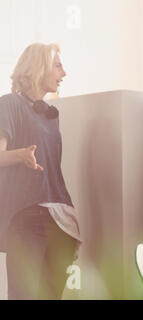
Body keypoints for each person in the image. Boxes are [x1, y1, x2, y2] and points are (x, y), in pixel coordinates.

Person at [0, 43, 81, 299]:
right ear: (39, 67)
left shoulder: (50, 115)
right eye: (58, 65)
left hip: (61, 217)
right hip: (27, 215)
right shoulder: (10, 104)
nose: (64, 73)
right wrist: (21, 155)